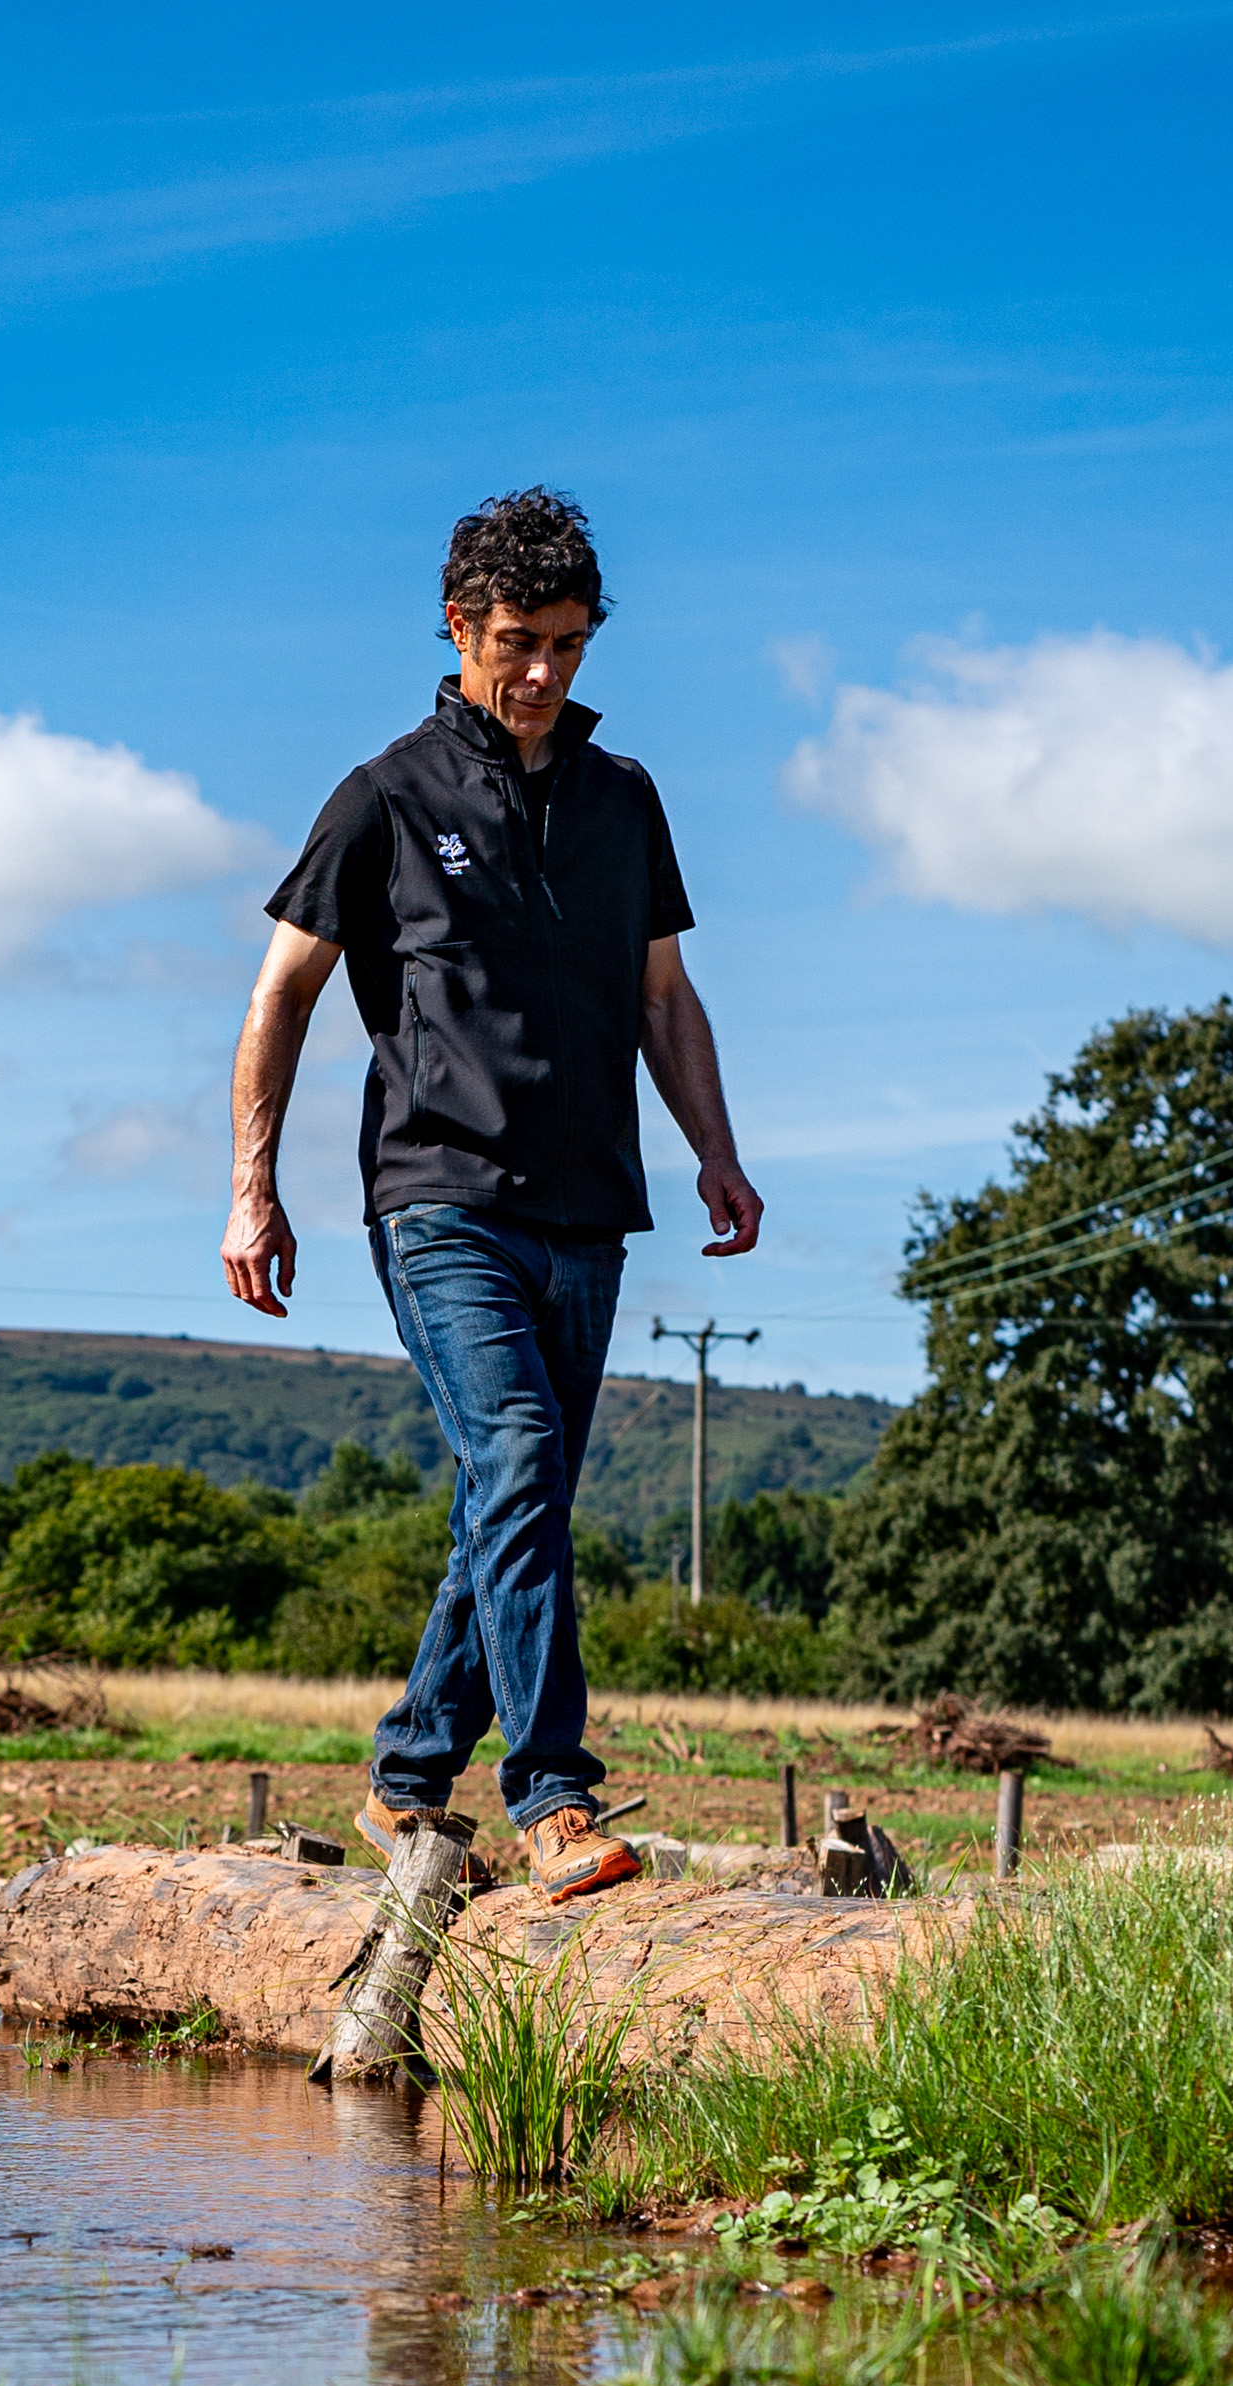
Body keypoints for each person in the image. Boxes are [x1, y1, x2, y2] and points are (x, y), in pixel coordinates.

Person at [223, 485, 760, 1905]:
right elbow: (281, 992)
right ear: (457, 628)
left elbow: (663, 993)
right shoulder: (385, 797)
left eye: (568, 647)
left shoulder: (623, 800)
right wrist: (250, 1189)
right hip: (438, 1197)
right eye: (517, 641)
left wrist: (713, 1146)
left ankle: (406, 1776)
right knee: (518, 1460)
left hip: (590, 1206)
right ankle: (553, 1796)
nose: (540, 675)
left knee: (510, 1493)